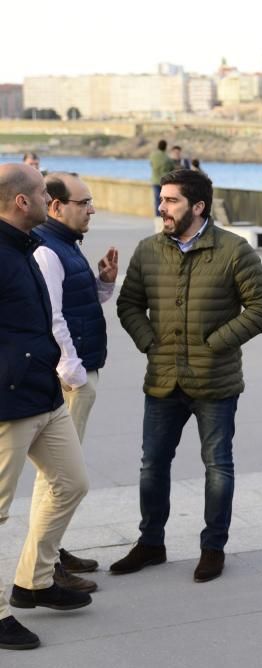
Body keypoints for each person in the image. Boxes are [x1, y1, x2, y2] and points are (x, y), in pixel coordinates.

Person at [111, 169, 262, 583]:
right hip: (162, 380)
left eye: (171, 201)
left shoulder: (235, 251)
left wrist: (217, 342)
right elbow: (128, 304)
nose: (161, 207)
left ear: (197, 206)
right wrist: (150, 343)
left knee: (218, 466)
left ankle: (212, 547)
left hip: (215, 383)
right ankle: (151, 543)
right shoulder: (148, 250)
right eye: (161, 199)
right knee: (152, 466)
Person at [0, 163, 92, 652]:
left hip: (45, 395)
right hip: (9, 402)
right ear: (22, 202)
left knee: (72, 482)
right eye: (41, 192)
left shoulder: (28, 249)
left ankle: (33, 581)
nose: (48, 198)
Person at [32, 173, 117, 594]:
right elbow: (51, 317)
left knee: (61, 477)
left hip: (81, 370)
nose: (92, 209)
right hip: (72, 377)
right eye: (84, 202)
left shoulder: (65, 245)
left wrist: (104, 282)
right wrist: (73, 372)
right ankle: (44, 567)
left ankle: (52, 552)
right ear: (56, 206)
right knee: (59, 478)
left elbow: (77, 304)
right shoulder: (49, 250)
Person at [149, 140, 173, 217]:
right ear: (165, 147)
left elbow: (151, 164)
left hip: (155, 180)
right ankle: (164, 215)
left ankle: (158, 216)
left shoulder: (153, 155)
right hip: (164, 181)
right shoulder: (167, 158)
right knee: (165, 200)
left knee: (157, 200)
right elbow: (171, 168)